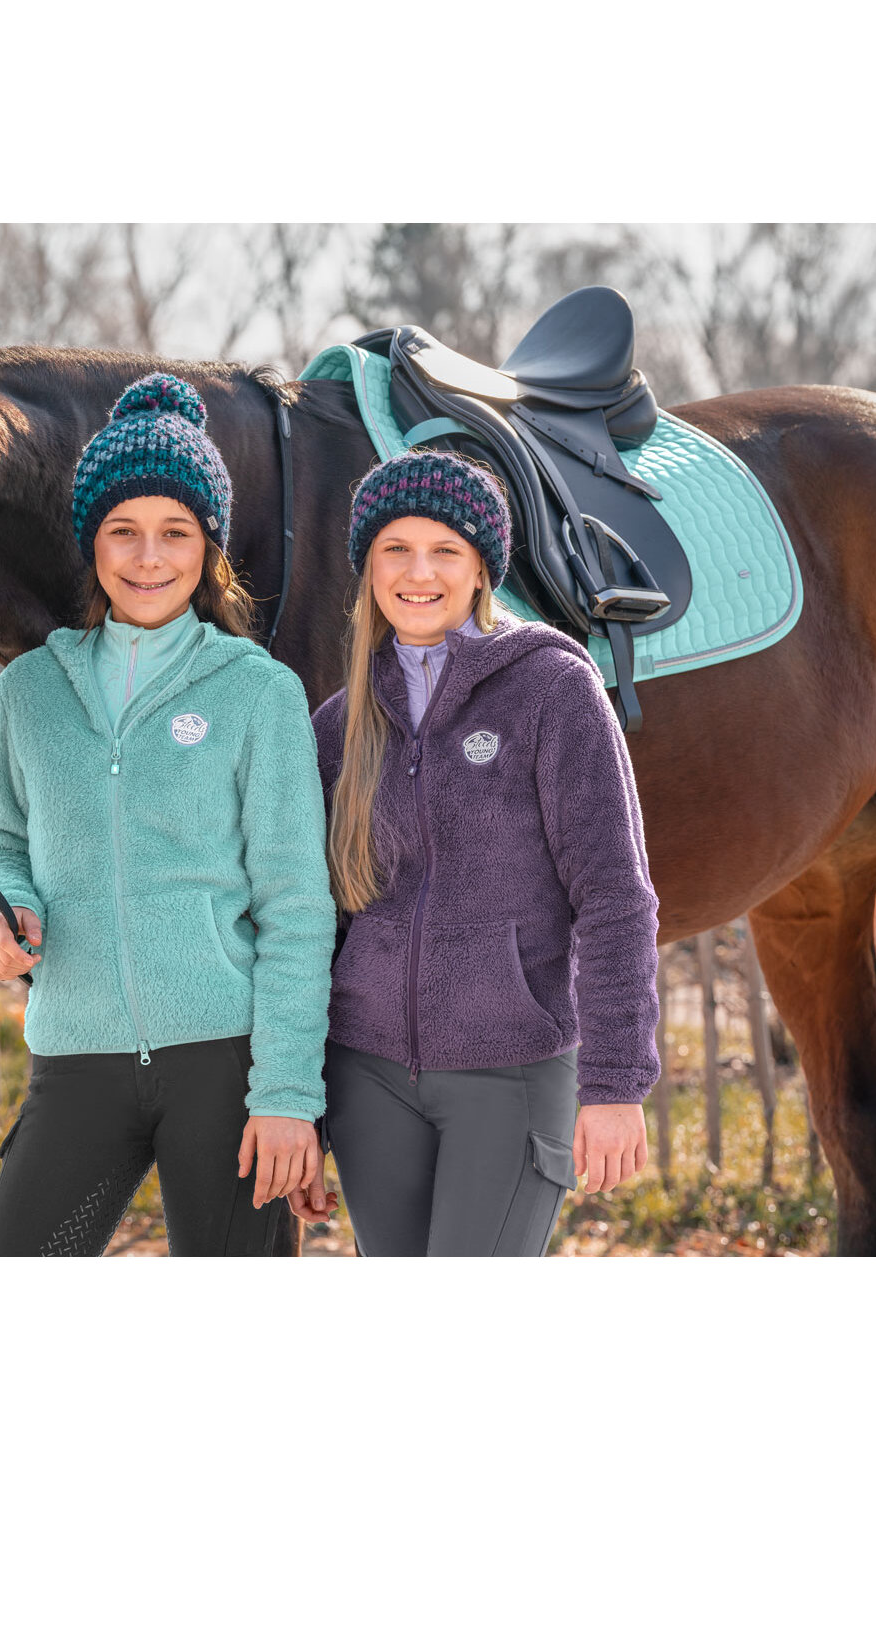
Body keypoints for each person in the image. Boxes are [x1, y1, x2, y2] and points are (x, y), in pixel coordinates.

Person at [0, 372, 337, 1256]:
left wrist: (288, 1095)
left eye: (176, 532)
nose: (148, 558)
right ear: (90, 542)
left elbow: (295, 906)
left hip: (224, 1065)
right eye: (123, 531)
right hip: (75, 1059)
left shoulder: (257, 693)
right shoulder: (29, 691)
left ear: (209, 546)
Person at [300, 448, 660, 1256]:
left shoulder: (552, 691)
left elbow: (615, 896)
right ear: (367, 567)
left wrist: (614, 1081)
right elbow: (312, 922)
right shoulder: (339, 725)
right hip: (366, 1076)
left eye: (445, 550)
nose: (418, 572)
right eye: (396, 548)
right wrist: (301, 1100)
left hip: (511, 1070)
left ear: (480, 570)